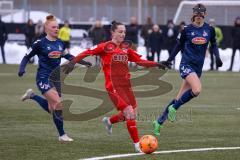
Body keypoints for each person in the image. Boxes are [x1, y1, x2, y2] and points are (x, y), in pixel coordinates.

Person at [62, 21, 167, 152]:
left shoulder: (126, 48)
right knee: (129, 112)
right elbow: (87, 52)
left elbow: (141, 61)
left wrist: (156, 63)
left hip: (126, 86)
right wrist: (73, 62)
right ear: (113, 32)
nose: (123, 34)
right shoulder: (105, 46)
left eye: (124, 32)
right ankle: (137, 145)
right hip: (113, 86)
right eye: (120, 31)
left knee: (130, 113)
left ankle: (109, 121)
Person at [18, 15, 91, 142]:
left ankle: (32, 96)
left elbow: (68, 57)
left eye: (58, 27)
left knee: (51, 108)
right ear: (46, 29)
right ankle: (62, 135)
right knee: (58, 104)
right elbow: (26, 57)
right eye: (54, 27)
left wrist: (83, 62)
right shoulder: (39, 43)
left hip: (56, 79)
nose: (57, 29)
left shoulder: (60, 43)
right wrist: (22, 68)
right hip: (43, 78)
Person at [153, 4, 223, 136]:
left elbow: (213, 44)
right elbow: (178, 46)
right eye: (196, 14)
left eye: (201, 14)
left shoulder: (210, 29)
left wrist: (217, 57)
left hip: (197, 68)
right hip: (186, 65)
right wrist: (169, 60)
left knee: (178, 97)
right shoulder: (186, 30)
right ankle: (174, 108)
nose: (198, 16)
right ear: (193, 15)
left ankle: (159, 121)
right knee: (196, 90)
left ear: (204, 15)